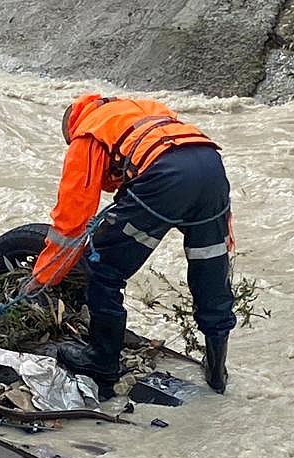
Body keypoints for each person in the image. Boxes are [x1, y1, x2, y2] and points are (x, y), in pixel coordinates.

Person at [26, 93, 236, 394]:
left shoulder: (87, 134)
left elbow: (71, 221)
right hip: (211, 168)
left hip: (165, 179)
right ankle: (217, 370)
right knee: (210, 272)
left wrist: (42, 278)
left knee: (104, 267)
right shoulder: (141, 110)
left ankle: (102, 361)